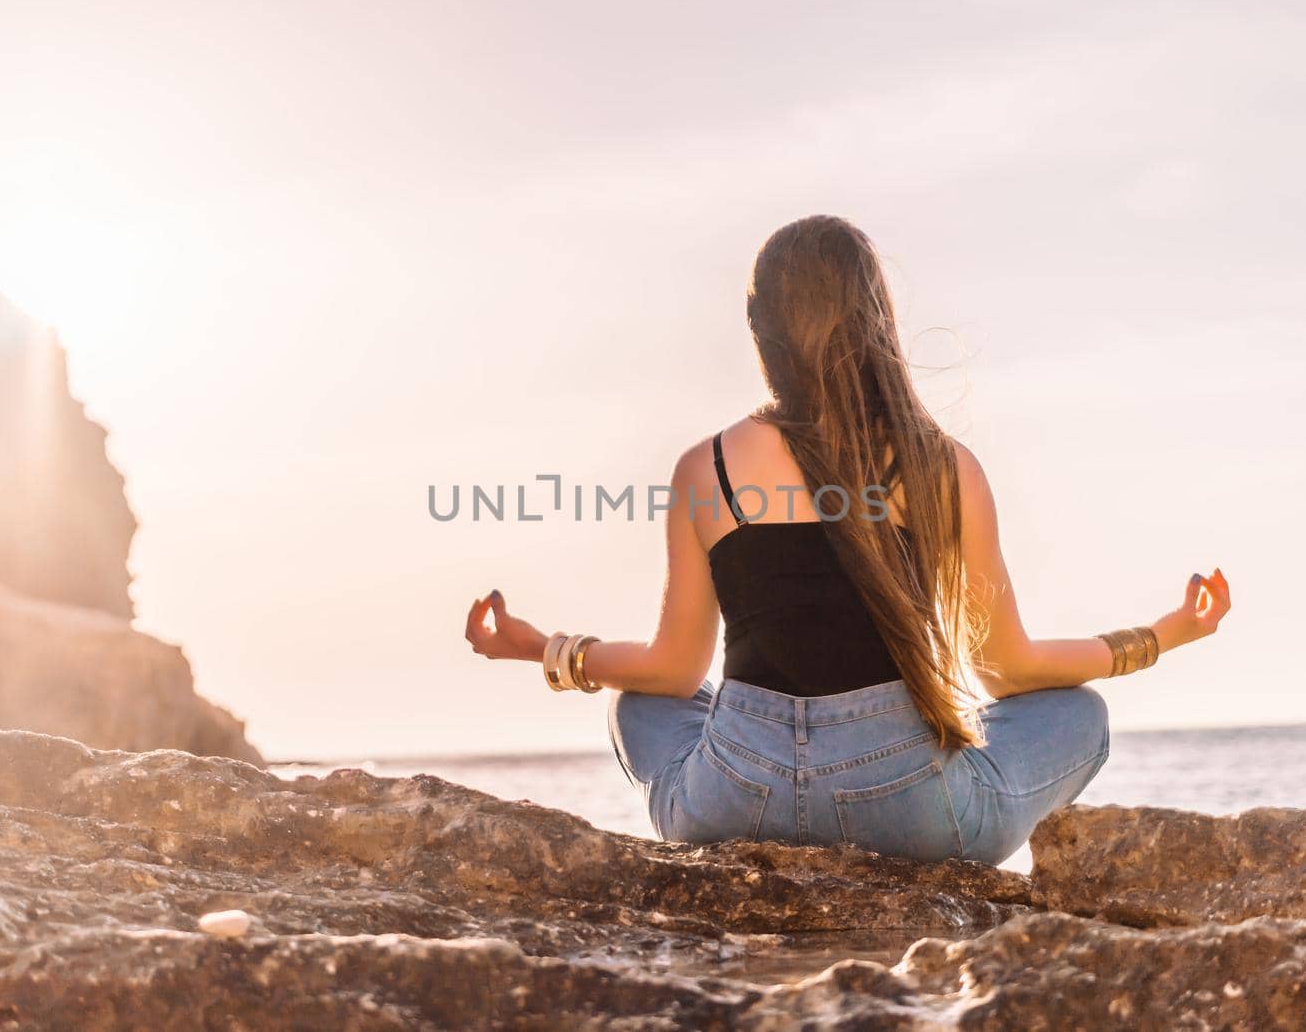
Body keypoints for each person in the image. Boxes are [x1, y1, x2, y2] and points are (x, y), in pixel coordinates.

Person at [463, 215, 1231, 865]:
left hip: (736, 800)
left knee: (636, 705)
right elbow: (1007, 669)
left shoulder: (710, 467)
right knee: (1080, 715)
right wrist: (1161, 635)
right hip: (908, 815)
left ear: (761, 329)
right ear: (877, 320)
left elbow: (671, 669)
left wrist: (544, 650)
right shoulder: (944, 468)